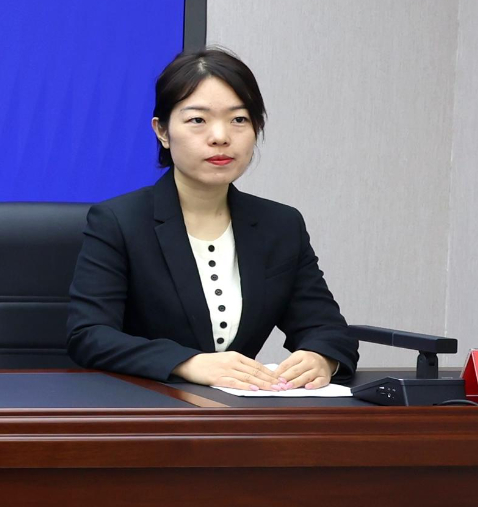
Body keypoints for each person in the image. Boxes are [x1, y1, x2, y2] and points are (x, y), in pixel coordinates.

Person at [66, 47, 357, 389]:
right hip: (147, 406)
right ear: (162, 131)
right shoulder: (119, 221)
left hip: (238, 409)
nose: (220, 136)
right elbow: (90, 335)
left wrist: (320, 358)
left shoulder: (280, 225)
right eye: (198, 120)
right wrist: (187, 363)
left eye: (239, 120)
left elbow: (327, 329)